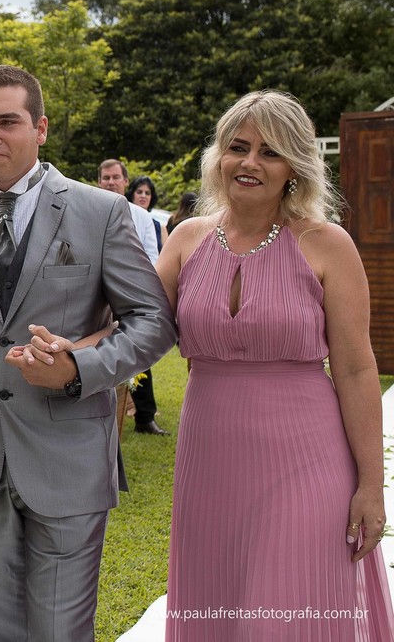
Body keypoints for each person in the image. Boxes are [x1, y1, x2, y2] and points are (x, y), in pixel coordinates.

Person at [0, 65, 176, 642]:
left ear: (41, 127)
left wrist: (79, 368)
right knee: (1, 628)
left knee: (60, 631)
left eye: (7, 121)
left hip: (69, 452)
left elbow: (153, 322)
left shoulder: (100, 212)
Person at [157, 91, 394, 640]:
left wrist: (371, 486)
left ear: (295, 167)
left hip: (307, 459)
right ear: (219, 156)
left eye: (270, 152)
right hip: (210, 460)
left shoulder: (328, 244)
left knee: (292, 608)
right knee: (218, 602)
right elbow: (135, 323)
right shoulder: (186, 239)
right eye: (238, 147)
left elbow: (358, 370)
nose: (249, 163)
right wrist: (71, 350)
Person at [99, 160, 167, 436]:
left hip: (131, 294)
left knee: (138, 354)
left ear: (125, 182)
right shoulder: (91, 208)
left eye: (116, 177)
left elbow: (152, 256)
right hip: (98, 297)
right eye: (105, 177)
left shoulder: (141, 217)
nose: (111, 182)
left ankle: (145, 416)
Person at [128, 174, 168, 251]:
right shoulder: (125, 221)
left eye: (147, 193)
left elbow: (167, 256)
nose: (143, 196)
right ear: (132, 195)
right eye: (139, 192)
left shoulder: (160, 227)